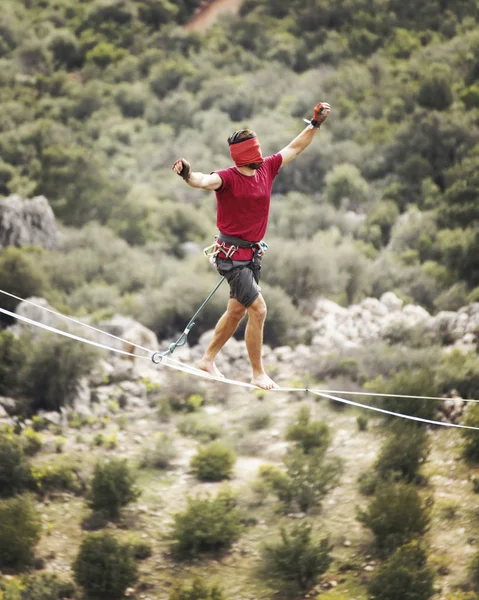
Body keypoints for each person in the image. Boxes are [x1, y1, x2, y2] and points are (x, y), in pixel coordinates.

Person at [172, 102, 331, 389]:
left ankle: (207, 360)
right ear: (244, 156)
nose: (260, 156)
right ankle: (257, 373)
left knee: (236, 311)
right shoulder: (227, 178)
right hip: (230, 257)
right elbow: (202, 181)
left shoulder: (267, 168)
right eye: (254, 153)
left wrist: (315, 124)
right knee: (258, 309)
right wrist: (186, 174)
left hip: (251, 256)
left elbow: (295, 147)